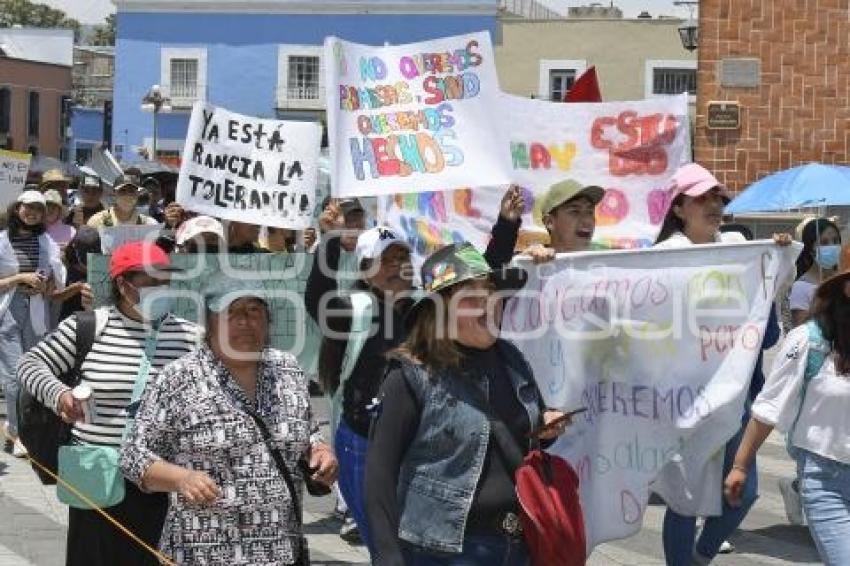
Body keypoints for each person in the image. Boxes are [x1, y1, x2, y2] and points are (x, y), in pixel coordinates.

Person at [305, 186, 526, 552]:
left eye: (401, 257)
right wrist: (329, 239)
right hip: (362, 441)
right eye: (385, 260)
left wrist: (506, 225)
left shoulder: (428, 309)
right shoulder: (352, 309)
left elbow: (478, 280)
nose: (397, 266)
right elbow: (316, 297)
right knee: (383, 539)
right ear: (366, 271)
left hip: (418, 441)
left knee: (412, 537)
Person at [366, 242, 569, 565]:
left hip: (518, 544)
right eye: (471, 297)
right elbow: (379, 474)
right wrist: (389, 557)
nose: (488, 304)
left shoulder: (512, 359)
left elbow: (521, 432)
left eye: (490, 292)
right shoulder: (411, 376)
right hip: (443, 552)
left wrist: (547, 426)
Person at [120, 274, 338, 564]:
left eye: (253, 311)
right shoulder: (179, 377)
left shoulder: (287, 369)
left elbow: (307, 431)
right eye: (231, 313)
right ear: (209, 324)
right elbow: (133, 456)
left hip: (280, 550)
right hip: (203, 552)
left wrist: (320, 451)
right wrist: (182, 478)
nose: (245, 322)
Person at [17, 241, 202, 565]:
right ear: (123, 284)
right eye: (150, 281)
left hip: (165, 483)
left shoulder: (191, 337)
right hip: (98, 477)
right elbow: (29, 365)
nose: (160, 288)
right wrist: (59, 395)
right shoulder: (87, 327)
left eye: (165, 280)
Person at [654, 163, 791, 564]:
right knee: (685, 497)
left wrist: (771, 269)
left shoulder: (741, 251)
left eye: (717, 197)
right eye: (701, 198)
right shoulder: (660, 259)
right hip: (683, 398)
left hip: (736, 396)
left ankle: (700, 554)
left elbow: (765, 338)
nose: (713, 205)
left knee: (743, 493)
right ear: (678, 208)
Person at [725, 247, 850, 565]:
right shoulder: (809, 341)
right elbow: (769, 406)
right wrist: (740, 466)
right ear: (846, 287)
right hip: (827, 480)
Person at [0, 191, 66, 457]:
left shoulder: (46, 241)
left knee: (32, 374)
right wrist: (20, 278)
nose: (33, 213)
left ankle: (22, 426)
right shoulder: (2, 240)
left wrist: (45, 284)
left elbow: (56, 279)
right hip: (8, 313)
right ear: (18, 209)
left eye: (39, 209)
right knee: (14, 378)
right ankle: (16, 433)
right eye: (29, 208)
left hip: (37, 312)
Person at [524, 179, 605, 262]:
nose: (587, 220)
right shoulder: (532, 261)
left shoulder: (607, 261)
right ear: (549, 222)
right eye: (575, 211)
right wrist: (526, 261)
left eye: (590, 212)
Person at [789, 217, 842, 328]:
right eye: (824, 242)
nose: (832, 246)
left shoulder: (844, 279)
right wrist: (818, 306)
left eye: (836, 241)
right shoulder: (801, 287)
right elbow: (799, 330)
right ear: (810, 249)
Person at [55, 226, 99, 322]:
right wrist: (78, 287)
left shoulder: (104, 263)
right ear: (75, 247)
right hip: (68, 321)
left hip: (95, 320)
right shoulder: (62, 264)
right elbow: (54, 296)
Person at [87, 173, 158, 228]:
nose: (127, 195)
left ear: (138, 194)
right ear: (114, 193)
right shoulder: (97, 222)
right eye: (122, 191)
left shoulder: (149, 224)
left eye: (131, 191)